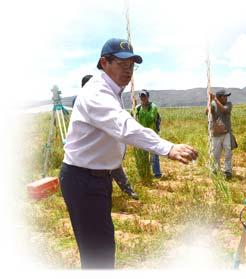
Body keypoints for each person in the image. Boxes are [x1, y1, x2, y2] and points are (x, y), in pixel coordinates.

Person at [59, 38, 198, 269]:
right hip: (82, 180)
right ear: (104, 62)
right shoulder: (96, 92)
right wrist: (168, 148)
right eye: (122, 63)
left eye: (132, 64)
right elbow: (123, 126)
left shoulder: (112, 90)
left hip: (97, 178)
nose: (128, 70)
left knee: (102, 248)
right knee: (98, 255)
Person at [78, 74, 139, 200]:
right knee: (101, 171)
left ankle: (126, 189)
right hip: (93, 146)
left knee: (113, 166)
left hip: (106, 143)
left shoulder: (101, 99)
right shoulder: (83, 101)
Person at [134, 89, 162, 179]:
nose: (143, 98)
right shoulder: (138, 108)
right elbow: (132, 117)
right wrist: (134, 109)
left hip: (152, 134)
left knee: (154, 154)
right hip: (142, 134)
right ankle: (146, 173)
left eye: (144, 96)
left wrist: (143, 110)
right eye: (141, 96)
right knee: (143, 154)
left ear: (148, 97)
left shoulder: (153, 107)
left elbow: (150, 118)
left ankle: (157, 174)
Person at [206, 89, 233, 179]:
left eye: (226, 96)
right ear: (220, 97)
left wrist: (215, 99)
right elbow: (207, 112)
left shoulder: (229, 104)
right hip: (216, 134)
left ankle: (228, 171)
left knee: (228, 152)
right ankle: (215, 170)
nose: (226, 98)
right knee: (216, 154)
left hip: (226, 133)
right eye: (224, 96)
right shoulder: (213, 104)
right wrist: (210, 101)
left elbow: (225, 111)